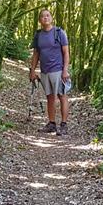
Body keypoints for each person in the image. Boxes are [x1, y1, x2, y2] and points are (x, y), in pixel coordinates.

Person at [29, 8, 71, 136]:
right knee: (49, 97)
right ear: (39, 20)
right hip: (45, 71)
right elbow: (36, 54)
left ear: (51, 18)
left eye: (47, 15)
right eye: (42, 16)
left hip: (58, 70)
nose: (45, 18)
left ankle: (63, 125)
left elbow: (66, 52)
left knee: (61, 96)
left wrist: (65, 70)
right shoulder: (38, 35)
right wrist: (32, 70)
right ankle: (52, 123)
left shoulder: (59, 33)